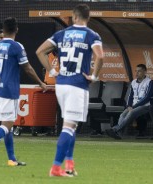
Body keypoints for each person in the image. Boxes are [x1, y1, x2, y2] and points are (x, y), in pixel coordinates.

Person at [36, 4, 104, 177]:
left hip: (62, 84)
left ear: (74, 17)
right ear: (88, 18)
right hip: (77, 84)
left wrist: (52, 72)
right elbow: (100, 55)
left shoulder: (61, 34)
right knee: (69, 126)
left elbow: (40, 51)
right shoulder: (91, 35)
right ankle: (56, 168)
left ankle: (69, 165)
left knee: (70, 124)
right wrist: (94, 76)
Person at [0, 17, 47, 166]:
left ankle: (11, 159)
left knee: (7, 126)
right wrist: (41, 83)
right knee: (7, 125)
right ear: (16, 30)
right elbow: (28, 68)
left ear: (3, 30)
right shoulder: (16, 46)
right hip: (8, 91)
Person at [105, 64, 153, 140]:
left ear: (145, 72)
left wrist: (133, 107)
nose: (137, 73)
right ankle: (118, 134)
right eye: (136, 71)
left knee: (131, 112)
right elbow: (130, 96)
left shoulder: (150, 82)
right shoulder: (133, 82)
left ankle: (115, 129)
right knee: (122, 115)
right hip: (133, 106)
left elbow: (147, 98)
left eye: (139, 71)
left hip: (146, 106)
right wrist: (128, 106)